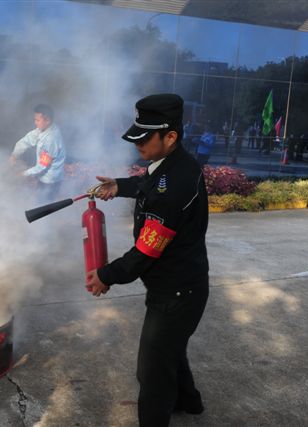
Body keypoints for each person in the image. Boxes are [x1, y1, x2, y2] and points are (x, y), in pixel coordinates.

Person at [86, 94, 209, 426]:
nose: (137, 144)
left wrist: (105, 275)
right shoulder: (175, 165)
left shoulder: (174, 190)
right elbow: (148, 182)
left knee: (152, 372)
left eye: (144, 138)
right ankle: (190, 402)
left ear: (170, 137)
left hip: (177, 295)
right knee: (170, 350)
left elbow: (144, 253)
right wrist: (119, 185)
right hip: (180, 288)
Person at [10, 104, 66, 202]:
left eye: (37, 120)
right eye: (35, 119)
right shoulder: (43, 129)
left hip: (50, 181)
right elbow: (27, 139)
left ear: (47, 120)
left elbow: (42, 166)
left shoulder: (51, 139)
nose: (35, 123)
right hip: (43, 178)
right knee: (40, 202)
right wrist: (15, 155)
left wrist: (24, 174)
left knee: (43, 206)